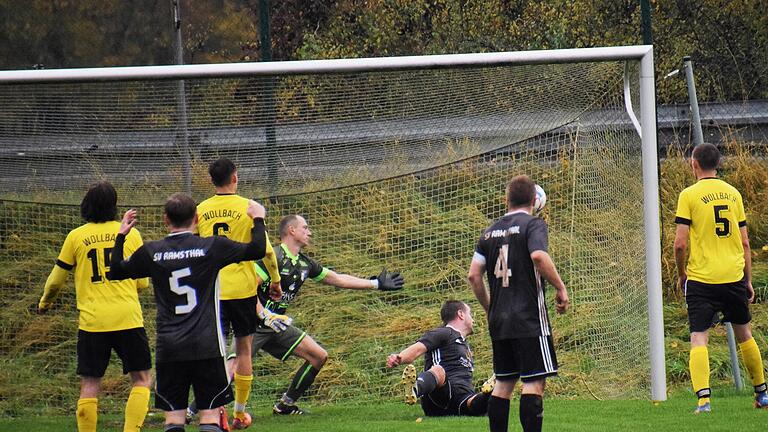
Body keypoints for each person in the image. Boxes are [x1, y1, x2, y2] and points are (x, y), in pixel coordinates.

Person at [107, 193, 292, 432]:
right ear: (196, 218)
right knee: (209, 416)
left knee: (173, 419)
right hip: (207, 344)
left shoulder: (151, 252)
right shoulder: (212, 247)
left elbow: (116, 271)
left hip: (170, 346)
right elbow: (257, 250)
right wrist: (258, 219)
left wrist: (121, 235)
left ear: (165, 219)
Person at [254, 214, 404, 415]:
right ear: (291, 231)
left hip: (277, 325)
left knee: (318, 356)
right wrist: (264, 314)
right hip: (252, 323)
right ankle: (198, 411)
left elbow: (338, 279)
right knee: (233, 367)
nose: (310, 232)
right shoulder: (273, 257)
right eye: (305, 228)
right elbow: (245, 290)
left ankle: (285, 405)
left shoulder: (305, 264)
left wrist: (376, 284)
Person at [37, 181, 151, 432]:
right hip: (127, 317)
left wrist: (45, 303)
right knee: (141, 379)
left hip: (92, 322)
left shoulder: (76, 236)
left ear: (86, 204)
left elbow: (56, 280)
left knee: (90, 384)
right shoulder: (130, 233)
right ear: (114, 206)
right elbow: (142, 282)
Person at [467, 175, 569, 432]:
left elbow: (473, 274)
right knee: (534, 382)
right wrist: (560, 287)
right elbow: (538, 255)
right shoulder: (533, 224)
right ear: (535, 201)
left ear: (506, 199)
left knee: (504, 383)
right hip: (528, 319)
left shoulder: (489, 231)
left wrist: (490, 307)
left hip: (499, 320)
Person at [673, 143, 768, 413]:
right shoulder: (733, 194)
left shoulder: (689, 195)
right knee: (744, 334)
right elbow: (745, 242)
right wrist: (747, 279)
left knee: (698, 337)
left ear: (694, 164)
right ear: (718, 164)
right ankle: (762, 394)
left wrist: (682, 274)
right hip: (733, 274)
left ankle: (704, 401)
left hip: (702, 278)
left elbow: (680, 244)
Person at [195, 158, 282, 429]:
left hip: (213, 290)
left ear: (212, 181)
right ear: (235, 177)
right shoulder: (249, 207)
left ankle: (216, 410)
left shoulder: (200, 210)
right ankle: (239, 413)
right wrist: (275, 281)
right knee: (243, 350)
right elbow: (266, 250)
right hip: (243, 290)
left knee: (216, 353)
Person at [386, 300, 493, 417]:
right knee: (438, 370)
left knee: (483, 400)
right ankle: (414, 390)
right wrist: (399, 358)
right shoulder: (444, 333)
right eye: (470, 314)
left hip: (463, 398)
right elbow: (416, 350)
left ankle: (489, 391)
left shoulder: (465, 345)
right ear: (461, 314)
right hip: (440, 396)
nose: (473, 319)